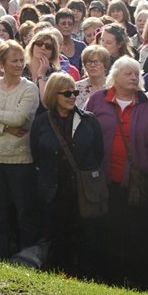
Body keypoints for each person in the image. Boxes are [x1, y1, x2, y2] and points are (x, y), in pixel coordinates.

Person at [85, 55, 148, 289]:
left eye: (136, 74)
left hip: (138, 185)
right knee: (108, 230)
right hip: (104, 181)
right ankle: (108, 277)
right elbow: (83, 134)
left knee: (136, 233)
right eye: (128, 73)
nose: (133, 77)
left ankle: (135, 278)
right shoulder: (97, 101)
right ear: (115, 76)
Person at [31, 71, 103, 277]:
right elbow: (35, 153)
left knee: (86, 238)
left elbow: (98, 153)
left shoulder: (89, 121)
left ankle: (86, 277)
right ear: (54, 95)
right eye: (66, 93)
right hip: (53, 192)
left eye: (74, 92)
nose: (72, 96)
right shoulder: (41, 122)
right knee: (58, 237)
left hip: (82, 192)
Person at [0, 39, 40, 260]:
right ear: (2, 63)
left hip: (21, 161)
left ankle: (27, 258)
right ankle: (0, 257)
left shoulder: (29, 88)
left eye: (22, 60)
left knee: (25, 213)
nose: (19, 64)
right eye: (14, 60)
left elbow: (21, 118)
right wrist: (5, 127)